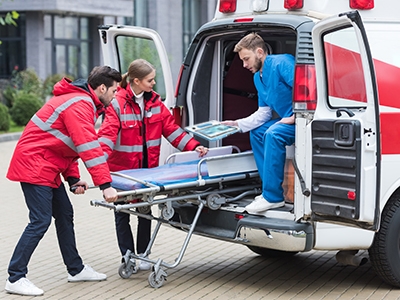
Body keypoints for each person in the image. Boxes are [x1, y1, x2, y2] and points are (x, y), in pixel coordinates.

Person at [5, 66, 122, 296]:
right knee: (39, 221)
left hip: (48, 165)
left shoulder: (83, 102)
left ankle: (75, 270)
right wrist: (106, 185)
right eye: (114, 90)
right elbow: (87, 146)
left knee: (65, 214)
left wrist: (73, 179)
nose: (115, 95)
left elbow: (67, 145)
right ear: (101, 88)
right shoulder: (80, 104)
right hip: (35, 165)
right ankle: (15, 277)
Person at [98, 59, 208, 271]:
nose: (153, 83)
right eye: (150, 80)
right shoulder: (117, 103)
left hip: (146, 173)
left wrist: (194, 146)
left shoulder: (154, 103)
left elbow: (172, 130)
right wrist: (98, 165)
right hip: (124, 174)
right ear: (136, 81)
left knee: (145, 214)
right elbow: (107, 137)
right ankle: (127, 257)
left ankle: (143, 255)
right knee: (122, 215)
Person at [223, 33, 295, 214]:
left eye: (246, 59)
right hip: (287, 120)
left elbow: (309, 89)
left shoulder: (282, 63)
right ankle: (267, 190)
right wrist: (237, 124)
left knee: (273, 133)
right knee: (256, 132)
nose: (244, 65)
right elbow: (264, 113)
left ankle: (273, 198)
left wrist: (296, 115)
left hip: (304, 119)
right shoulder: (257, 78)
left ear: (260, 52)